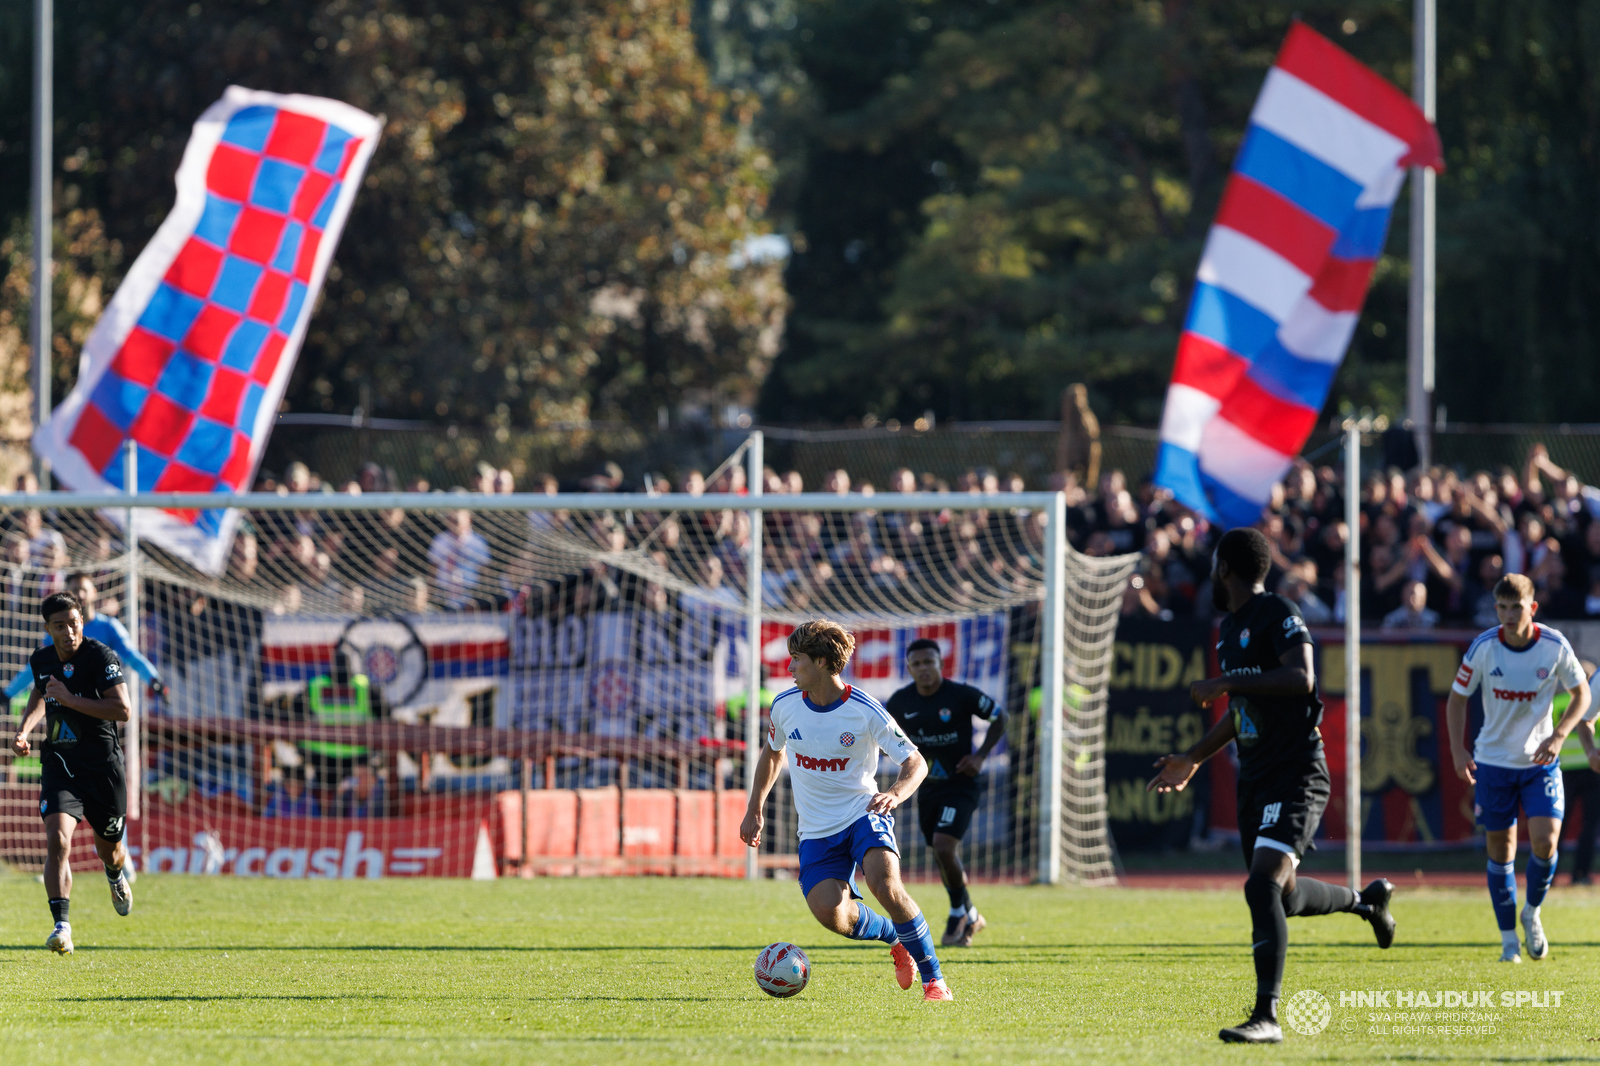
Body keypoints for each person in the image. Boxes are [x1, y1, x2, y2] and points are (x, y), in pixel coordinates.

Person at [1147, 528, 1395, 1045]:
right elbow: (1242, 712)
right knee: (1278, 894)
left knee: (1261, 885)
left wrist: (1228, 682)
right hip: (1256, 777)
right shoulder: (1228, 628)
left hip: (1297, 769)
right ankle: (1365, 903)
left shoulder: (1277, 609)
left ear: (1224, 569)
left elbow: (1301, 677)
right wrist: (1193, 757)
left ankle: (1267, 1017)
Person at [740, 619, 953, 1001]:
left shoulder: (865, 710)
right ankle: (896, 938)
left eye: (796, 659)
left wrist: (895, 794)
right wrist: (755, 807)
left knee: (885, 883)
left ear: (821, 662)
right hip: (816, 830)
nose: (789, 668)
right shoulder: (785, 705)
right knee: (831, 914)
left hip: (862, 813)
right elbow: (773, 753)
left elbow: (916, 762)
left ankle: (934, 981)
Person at [1445, 573, 1592, 962]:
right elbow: (1456, 699)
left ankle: (1533, 912)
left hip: (1539, 763)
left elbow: (1583, 694)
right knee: (1501, 850)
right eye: (1502, 607)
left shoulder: (1554, 646)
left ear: (1533, 607)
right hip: (1493, 762)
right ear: (1496, 609)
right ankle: (1509, 939)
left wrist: (1560, 735)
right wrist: (1458, 751)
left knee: (1546, 843)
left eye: (1516, 606)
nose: (1509, 615)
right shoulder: (1483, 648)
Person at [11, 592, 135, 955]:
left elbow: (122, 709)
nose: (69, 632)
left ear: (83, 620)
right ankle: (61, 926)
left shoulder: (100, 656)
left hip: (103, 769)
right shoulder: (42, 659)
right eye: (60, 626)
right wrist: (24, 729)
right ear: (48, 628)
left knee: (109, 851)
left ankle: (114, 876)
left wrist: (68, 700)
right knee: (58, 841)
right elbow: (40, 693)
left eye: (74, 623)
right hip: (60, 765)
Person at [885, 638, 1007, 947]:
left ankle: (957, 914)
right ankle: (972, 913)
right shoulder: (900, 702)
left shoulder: (960, 694)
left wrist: (980, 756)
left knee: (943, 846)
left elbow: (1000, 718)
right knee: (942, 853)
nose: (924, 668)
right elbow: (882, 737)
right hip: (925, 789)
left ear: (941, 663)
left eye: (930, 662)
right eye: (917, 664)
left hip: (961, 785)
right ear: (909, 668)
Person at [3, 574, 165, 703]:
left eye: (84, 590)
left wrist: (153, 679)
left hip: (101, 702)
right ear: (67, 594)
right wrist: (8, 693)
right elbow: (37, 666)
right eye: (74, 590)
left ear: (94, 592)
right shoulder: (57, 630)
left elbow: (132, 657)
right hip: (67, 702)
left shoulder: (109, 627)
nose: (80, 594)